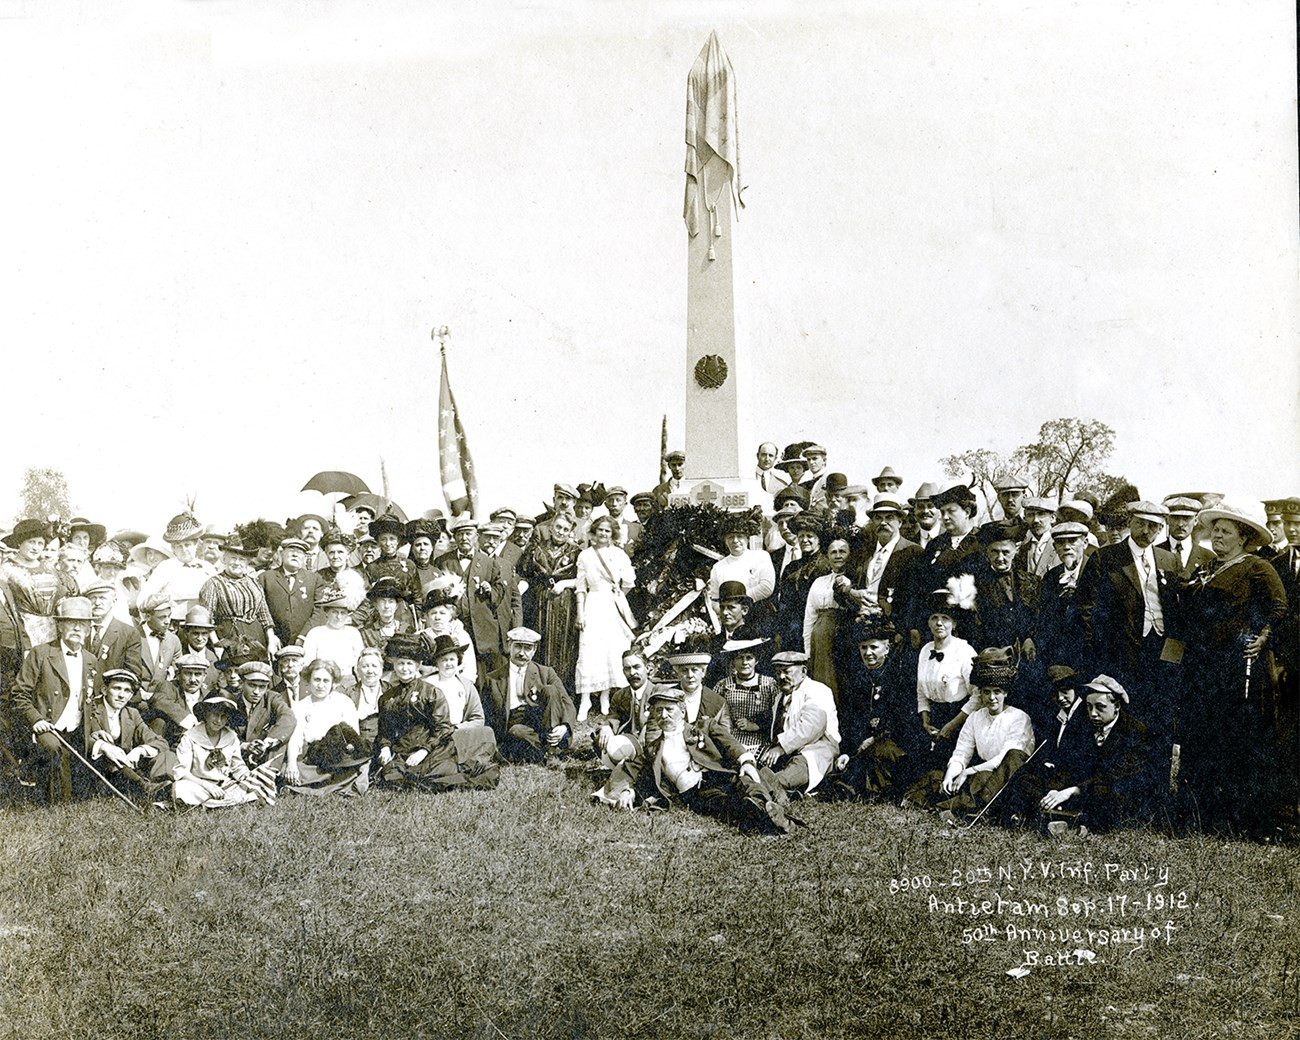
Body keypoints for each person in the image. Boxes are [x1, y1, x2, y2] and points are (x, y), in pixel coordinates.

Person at [1178, 498, 1289, 837]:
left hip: (1239, 670)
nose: (1218, 537)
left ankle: (1243, 820)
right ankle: (1202, 815)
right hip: (1205, 667)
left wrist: (1262, 638)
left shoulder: (1256, 566)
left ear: (1242, 537)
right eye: (1215, 531)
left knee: (1237, 740)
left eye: (1225, 532)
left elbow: (1280, 606)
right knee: (1204, 738)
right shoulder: (1208, 568)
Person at [593, 687, 796, 834]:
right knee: (726, 805)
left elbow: (729, 743)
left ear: (682, 711)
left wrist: (746, 761)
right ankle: (769, 817)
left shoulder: (703, 726)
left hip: (719, 775)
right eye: (658, 711)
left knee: (746, 782)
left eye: (669, 709)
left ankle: (766, 807)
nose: (663, 715)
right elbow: (632, 769)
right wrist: (628, 791)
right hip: (697, 793)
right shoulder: (654, 748)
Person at [1077, 501, 1181, 742]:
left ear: (1161, 528)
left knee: (1159, 716)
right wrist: (1099, 652)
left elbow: (1177, 610)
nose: (1146, 531)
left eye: (1153, 526)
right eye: (1141, 524)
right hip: (1122, 651)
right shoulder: (1106, 557)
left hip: (1161, 651)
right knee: (1127, 716)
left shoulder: (1168, 560)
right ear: (1130, 522)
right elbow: (1085, 609)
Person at [905, 648, 1035, 821]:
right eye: (986, 692)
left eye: (997, 691)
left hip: (1008, 778)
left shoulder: (1019, 717)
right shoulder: (975, 717)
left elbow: (1003, 760)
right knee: (938, 778)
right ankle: (948, 804)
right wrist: (950, 775)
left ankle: (953, 809)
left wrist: (968, 772)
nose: (992, 698)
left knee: (981, 778)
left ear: (1005, 693)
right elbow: (962, 753)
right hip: (981, 772)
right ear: (980, 693)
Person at [11, 596, 102, 802]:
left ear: (89, 629)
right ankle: (53, 804)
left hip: (78, 728)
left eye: (82, 624)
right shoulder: (41, 654)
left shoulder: (90, 660)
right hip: (48, 725)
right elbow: (19, 694)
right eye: (71, 622)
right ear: (60, 626)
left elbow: (92, 702)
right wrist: (36, 720)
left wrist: (96, 729)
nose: (77, 628)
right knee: (52, 748)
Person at [833, 619, 923, 798]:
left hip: (894, 741)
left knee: (880, 755)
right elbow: (850, 718)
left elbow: (902, 719)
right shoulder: (857, 678)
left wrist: (874, 738)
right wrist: (848, 750)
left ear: (887, 649)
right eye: (863, 647)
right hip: (864, 743)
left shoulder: (898, 677)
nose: (868, 653)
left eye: (874, 647)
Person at [571, 516, 637, 722]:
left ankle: (605, 697)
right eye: (599, 530)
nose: (603, 534)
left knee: (611, 650)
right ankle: (585, 699)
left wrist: (618, 595)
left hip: (612, 605)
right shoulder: (585, 555)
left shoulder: (619, 555)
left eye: (607, 531)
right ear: (593, 531)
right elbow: (581, 586)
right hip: (592, 603)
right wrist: (580, 612)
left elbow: (629, 581)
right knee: (589, 649)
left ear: (613, 534)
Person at [435, 516, 510, 686]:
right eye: (460, 534)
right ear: (454, 538)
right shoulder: (443, 561)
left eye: (468, 534)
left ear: (476, 537)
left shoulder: (489, 563)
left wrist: (490, 590)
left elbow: (500, 592)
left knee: (485, 678)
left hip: (482, 629)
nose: (464, 538)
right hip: (454, 627)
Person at [482, 628, 574, 763]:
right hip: (515, 725)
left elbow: (567, 703)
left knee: (551, 690)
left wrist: (564, 727)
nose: (522, 653)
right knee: (516, 731)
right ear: (509, 645)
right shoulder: (493, 679)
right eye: (518, 646)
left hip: (543, 720)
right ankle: (545, 750)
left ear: (534, 650)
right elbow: (486, 714)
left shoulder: (546, 673)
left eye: (528, 648)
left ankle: (551, 749)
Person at [85, 668, 176, 801]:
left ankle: (161, 786)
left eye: (127, 691)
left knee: (167, 754)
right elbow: (82, 739)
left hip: (125, 770)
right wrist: (103, 746)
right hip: (98, 770)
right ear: (104, 690)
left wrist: (140, 750)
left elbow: (160, 742)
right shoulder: (92, 709)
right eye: (117, 688)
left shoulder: (131, 714)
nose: (121, 695)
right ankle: (146, 788)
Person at [282, 658, 369, 796]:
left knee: (357, 766)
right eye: (316, 680)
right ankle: (336, 785)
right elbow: (295, 739)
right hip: (314, 756)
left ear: (333, 683)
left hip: (341, 755)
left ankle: (317, 786)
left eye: (326, 681)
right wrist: (292, 764)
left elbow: (353, 735)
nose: (320, 685)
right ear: (308, 681)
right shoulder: (300, 707)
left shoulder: (344, 702)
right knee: (290, 769)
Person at [759, 650, 840, 797]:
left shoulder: (817, 690)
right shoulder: (780, 697)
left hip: (816, 749)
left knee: (794, 770)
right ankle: (772, 790)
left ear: (803, 671)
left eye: (786, 671)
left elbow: (812, 726)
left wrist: (780, 748)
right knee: (759, 768)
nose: (781, 677)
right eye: (778, 672)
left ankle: (766, 790)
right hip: (790, 751)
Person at [172, 693, 276, 807]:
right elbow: (182, 772)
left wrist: (247, 777)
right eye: (215, 715)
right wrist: (208, 786)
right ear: (206, 714)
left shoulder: (231, 737)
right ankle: (219, 803)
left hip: (224, 786)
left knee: (255, 785)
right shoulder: (190, 737)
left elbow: (237, 767)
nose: (219, 721)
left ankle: (215, 804)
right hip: (199, 785)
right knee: (181, 788)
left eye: (223, 716)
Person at [517, 510, 581, 684]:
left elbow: (583, 580)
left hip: (564, 605)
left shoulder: (576, 553)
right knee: (539, 643)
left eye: (565, 529)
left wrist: (564, 584)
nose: (560, 532)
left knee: (563, 647)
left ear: (570, 532)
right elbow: (524, 574)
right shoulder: (535, 549)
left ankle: (561, 692)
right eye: (558, 527)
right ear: (551, 528)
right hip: (539, 603)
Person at [916, 588, 980, 755]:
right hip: (931, 721)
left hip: (959, 719)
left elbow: (978, 694)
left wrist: (953, 724)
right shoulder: (925, 650)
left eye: (945, 618)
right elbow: (921, 691)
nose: (939, 623)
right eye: (934, 618)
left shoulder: (964, 651)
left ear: (954, 623)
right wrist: (925, 720)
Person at [3, 518, 79, 649]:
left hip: (53, 632)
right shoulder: (6, 570)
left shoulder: (50, 568)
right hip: (22, 633)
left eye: (40, 543)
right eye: (31, 542)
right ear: (20, 543)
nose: (36, 547)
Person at [199, 534, 278, 653]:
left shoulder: (254, 583)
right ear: (224, 559)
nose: (237, 563)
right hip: (228, 637)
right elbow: (207, 619)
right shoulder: (213, 584)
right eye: (233, 558)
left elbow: (264, 615)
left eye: (241, 559)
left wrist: (271, 642)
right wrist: (217, 646)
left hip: (256, 637)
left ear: (247, 562)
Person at [594, 648, 668, 769]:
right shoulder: (620, 695)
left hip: (653, 741)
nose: (632, 673)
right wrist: (606, 726)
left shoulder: (659, 691)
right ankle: (622, 766)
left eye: (636, 667)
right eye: (627, 669)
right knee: (601, 738)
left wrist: (648, 726)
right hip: (630, 744)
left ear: (648, 668)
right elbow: (614, 716)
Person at [138, 513, 216, 623]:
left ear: (196, 545)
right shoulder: (166, 567)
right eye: (179, 546)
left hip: (202, 626)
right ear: (173, 548)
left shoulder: (207, 568)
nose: (184, 550)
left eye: (187, 545)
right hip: (174, 624)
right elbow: (143, 599)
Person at [802, 534, 854, 698]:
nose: (838, 556)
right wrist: (808, 651)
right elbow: (809, 617)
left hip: (843, 635)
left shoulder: (854, 579)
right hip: (820, 640)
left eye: (842, 551)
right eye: (833, 552)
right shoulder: (819, 582)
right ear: (827, 556)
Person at [713, 638, 779, 755]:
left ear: (756, 661)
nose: (744, 662)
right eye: (740, 658)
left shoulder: (769, 684)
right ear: (733, 661)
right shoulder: (723, 685)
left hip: (762, 741)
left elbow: (778, 715)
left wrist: (757, 725)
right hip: (731, 740)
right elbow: (714, 715)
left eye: (749, 658)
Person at [232, 660, 295, 773]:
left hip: (264, 755)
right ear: (242, 683)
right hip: (238, 756)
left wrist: (267, 742)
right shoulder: (232, 702)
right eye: (252, 685)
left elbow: (288, 717)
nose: (257, 692)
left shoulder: (272, 698)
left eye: (262, 687)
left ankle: (269, 776)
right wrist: (245, 746)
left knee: (281, 740)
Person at [708, 511, 776, 616]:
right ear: (725, 540)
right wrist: (726, 614)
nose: (735, 541)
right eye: (730, 537)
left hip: (758, 614)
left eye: (739, 536)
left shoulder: (761, 557)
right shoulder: (718, 567)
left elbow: (766, 587)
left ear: (747, 539)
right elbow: (715, 599)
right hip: (731, 619)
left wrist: (738, 604)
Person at [259, 536, 322, 646]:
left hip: (305, 641)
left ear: (304, 558)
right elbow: (259, 609)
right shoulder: (266, 578)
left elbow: (320, 611)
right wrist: (271, 636)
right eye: (291, 551)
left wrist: (303, 636)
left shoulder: (314, 579)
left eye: (300, 552)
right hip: (273, 642)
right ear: (282, 553)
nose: (295, 555)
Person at [82, 580, 146, 680]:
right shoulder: (78, 631)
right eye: (93, 598)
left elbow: (133, 674)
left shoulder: (129, 634)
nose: (97, 603)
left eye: (102, 598)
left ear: (114, 600)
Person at [300, 587, 365, 678]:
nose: (339, 617)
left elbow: (360, 661)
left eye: (343, 613)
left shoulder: (353, 633)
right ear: (326, 612)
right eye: (335, 612)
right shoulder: (316, 633)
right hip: (322, 679)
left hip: (347, 679)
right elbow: (308, 662)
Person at [426, 634, 487, 728]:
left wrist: (457, 728)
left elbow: (478, 719)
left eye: (452, 659)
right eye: (444, 660)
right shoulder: (426, 684)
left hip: (458, 731)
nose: (449, 664)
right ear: (436, 662)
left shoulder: (467, 686)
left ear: (458, 661)